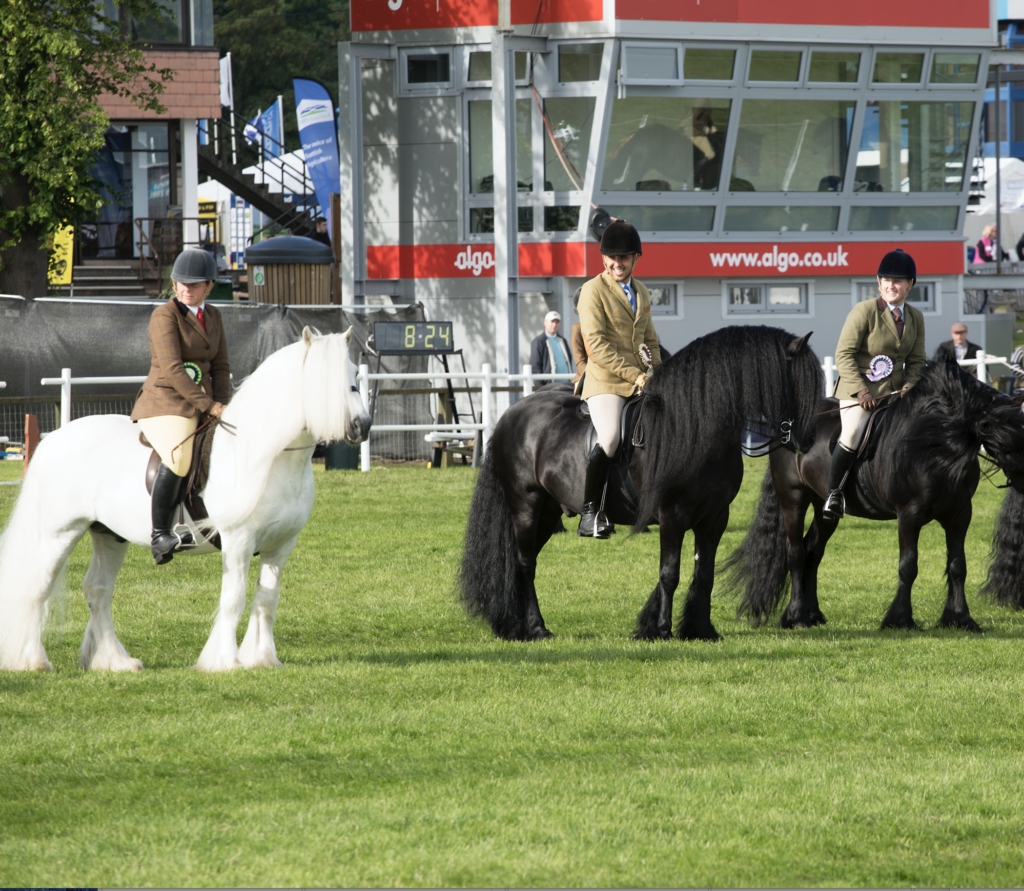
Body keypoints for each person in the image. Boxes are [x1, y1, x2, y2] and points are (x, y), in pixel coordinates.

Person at [131, 249, 231, 564]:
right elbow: (173, 370)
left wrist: (225, 404)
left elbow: (220, 365)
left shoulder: (214, 316)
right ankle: (160, 534)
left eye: (195, 284)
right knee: (178, 457)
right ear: (174, 285)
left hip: (206, 401)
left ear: (210, 285)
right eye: (181, 283)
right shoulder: (164, 315)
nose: (187, 289)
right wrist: (210, 405)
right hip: (166, 401)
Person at [824, 248, 926, 521]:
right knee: (853, 433)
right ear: (879, 283)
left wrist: (909, 386)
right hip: (858, 392)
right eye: (887, 280)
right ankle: (834, 494)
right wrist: (861, 390)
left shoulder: (915, 317)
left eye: (899, 281)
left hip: (897, 394)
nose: (892, 285)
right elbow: (843, 355)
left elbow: (916, 361)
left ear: (910, 285)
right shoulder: (864, 311)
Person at [577, 219, 662, 538]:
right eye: (612, 257)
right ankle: (589, 513)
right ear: (603, 259)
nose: (617, 263)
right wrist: (638, 377)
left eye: (624, 257)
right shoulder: (592, 291)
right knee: (610, 436)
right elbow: (596, 347)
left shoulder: (641, 291)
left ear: (636, 258)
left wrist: (657, 374)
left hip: (641, 379)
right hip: (606, 382)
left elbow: (650, 340)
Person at [528, 310, 573, 386]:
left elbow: (569, 361)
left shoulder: (563, 340)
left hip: (566, 387)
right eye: (552, 322)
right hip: (549, 389)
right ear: (545, 322)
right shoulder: (538, 341)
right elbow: (535, 368)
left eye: (557, 322)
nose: (554, 324)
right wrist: (541, 389)